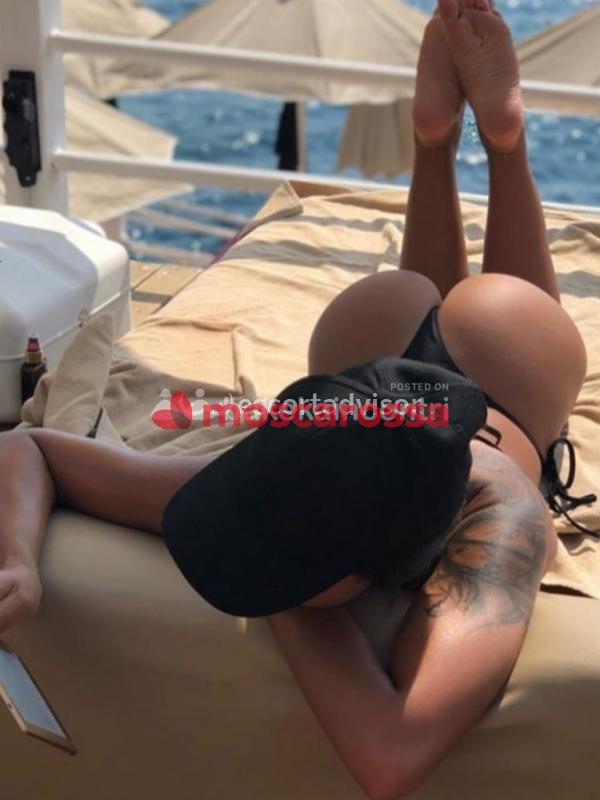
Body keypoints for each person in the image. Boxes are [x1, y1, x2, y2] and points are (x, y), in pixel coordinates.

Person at [0, 1, 595, 796]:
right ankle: (475, 142)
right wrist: (17, 561)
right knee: (485, 311)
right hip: (390, 383)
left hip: (447, 379)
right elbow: (29, 447)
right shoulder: (276, 474)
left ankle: (468, 142)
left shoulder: (501, 526)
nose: (232, 539)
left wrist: (280, 586)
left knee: (492, 311)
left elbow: (392, 757)